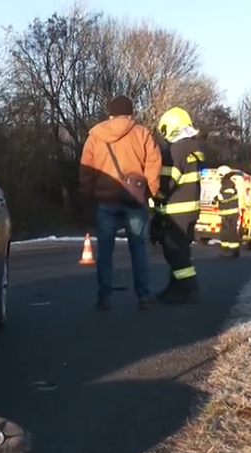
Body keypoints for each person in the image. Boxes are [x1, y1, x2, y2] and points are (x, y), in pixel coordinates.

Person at [79, 95, 161, 310]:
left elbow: (86, 168)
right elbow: (154, 164)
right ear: (130, 113)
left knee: (105, 250)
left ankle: (104, 296)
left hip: (105, 199)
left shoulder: (95, 136)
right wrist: (150, 191)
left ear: (110, 114)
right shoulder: (142, 133)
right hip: (135, 199)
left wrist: (88, 193)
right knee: (138, 248)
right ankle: (143, 295)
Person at [151, 106, 206, 305]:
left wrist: (155, 196)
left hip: (176, 210)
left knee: (175, 252)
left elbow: (168, 182)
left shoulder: (176, 150)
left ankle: (188, 288)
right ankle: (174, 288)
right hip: (190, 209)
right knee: (181, 249)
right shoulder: (195, 148)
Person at [215, 166, 242, 257]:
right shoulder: (226, 182)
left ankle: (233, 251)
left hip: (231, 213)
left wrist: (217, 198)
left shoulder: (228, 182)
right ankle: (226, 250)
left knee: (230, 232)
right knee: (225, 232)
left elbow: (227, 195)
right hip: (227, 213)